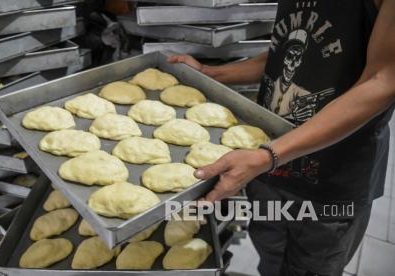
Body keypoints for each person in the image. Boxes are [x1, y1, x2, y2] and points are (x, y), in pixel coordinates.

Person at [168, 0, 395, 275]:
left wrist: (267, 156)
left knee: (312, 269)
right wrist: (210, 73)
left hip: (328, 184)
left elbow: (383, 81)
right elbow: (279, 52)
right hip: (268, 170)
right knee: (271, 258)